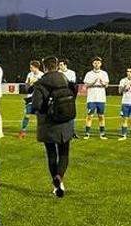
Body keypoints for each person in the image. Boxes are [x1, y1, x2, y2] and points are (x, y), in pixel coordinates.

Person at [31, 56, 76, 198]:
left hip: (48, 124)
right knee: (64, 153)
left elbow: (37, 105)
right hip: (65, 121)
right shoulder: (65, 79)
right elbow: (73, 94)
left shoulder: (41, 83)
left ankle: (57, 185)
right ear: (56, 66)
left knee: (51, 154)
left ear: (44, 67)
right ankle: (60, 177)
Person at [83, 56, 109, 139]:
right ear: (92, 64)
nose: (97, 64)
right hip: (91, 98)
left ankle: (102, 133)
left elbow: (106, 85)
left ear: (101, 64)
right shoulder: (89, 74)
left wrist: (103, 83)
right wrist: (93, 82)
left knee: (101, 116)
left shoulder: (104, 73)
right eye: (95, 63)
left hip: (101, 98)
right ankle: (87, 133)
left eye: (98, 63)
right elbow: (86, 85)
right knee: (89, 115)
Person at [19, 60, 43, 139]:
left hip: (39, 98)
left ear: (36, 67)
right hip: (30, 98)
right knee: (27, 115)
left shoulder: (42, 75)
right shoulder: (29, 74)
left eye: (31, 67)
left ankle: (41, 132)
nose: (30, 68)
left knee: (40, 116)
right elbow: (27, 87)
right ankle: (23, 131)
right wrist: (29, 84)